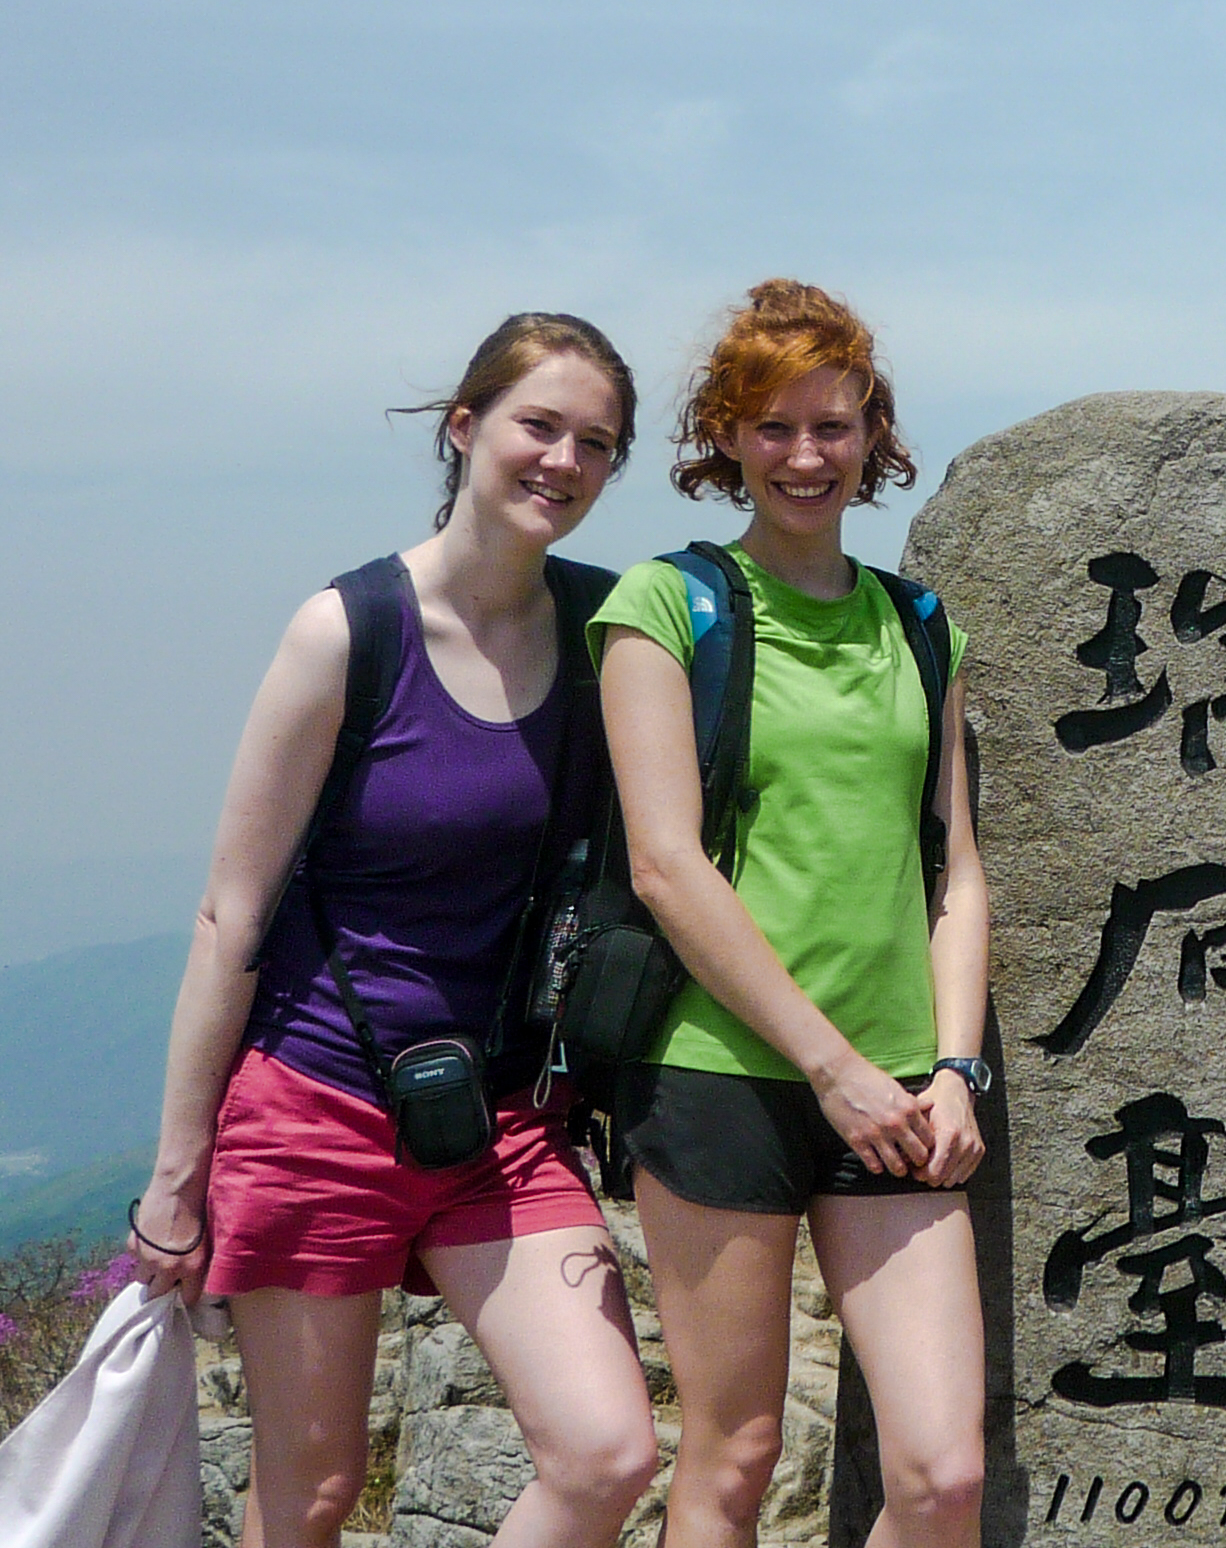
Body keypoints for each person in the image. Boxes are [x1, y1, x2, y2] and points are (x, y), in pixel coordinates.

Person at [128, 314, 662, 1548]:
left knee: (607, 1451)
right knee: (309, 1493)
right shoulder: (348, 630)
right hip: (316, 1103)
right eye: (538, 425)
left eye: (595, 442)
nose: (564, 461)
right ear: (464, 426)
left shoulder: (606, 629)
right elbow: (231, 910)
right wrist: (176, 1173)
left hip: (501, 1118)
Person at [592, 280, 989, 1548]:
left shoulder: (917, 624)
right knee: (735, 1453)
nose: (805, 455)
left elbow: (954, 869)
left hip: (900, 1082)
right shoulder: (665, 606)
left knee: (942, 1476)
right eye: (772, 426)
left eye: (832, 425)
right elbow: (666, 866)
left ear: (874, 433)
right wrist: (830, 1067)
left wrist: (955, 1066)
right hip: (719, 1069)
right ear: (725, 436)